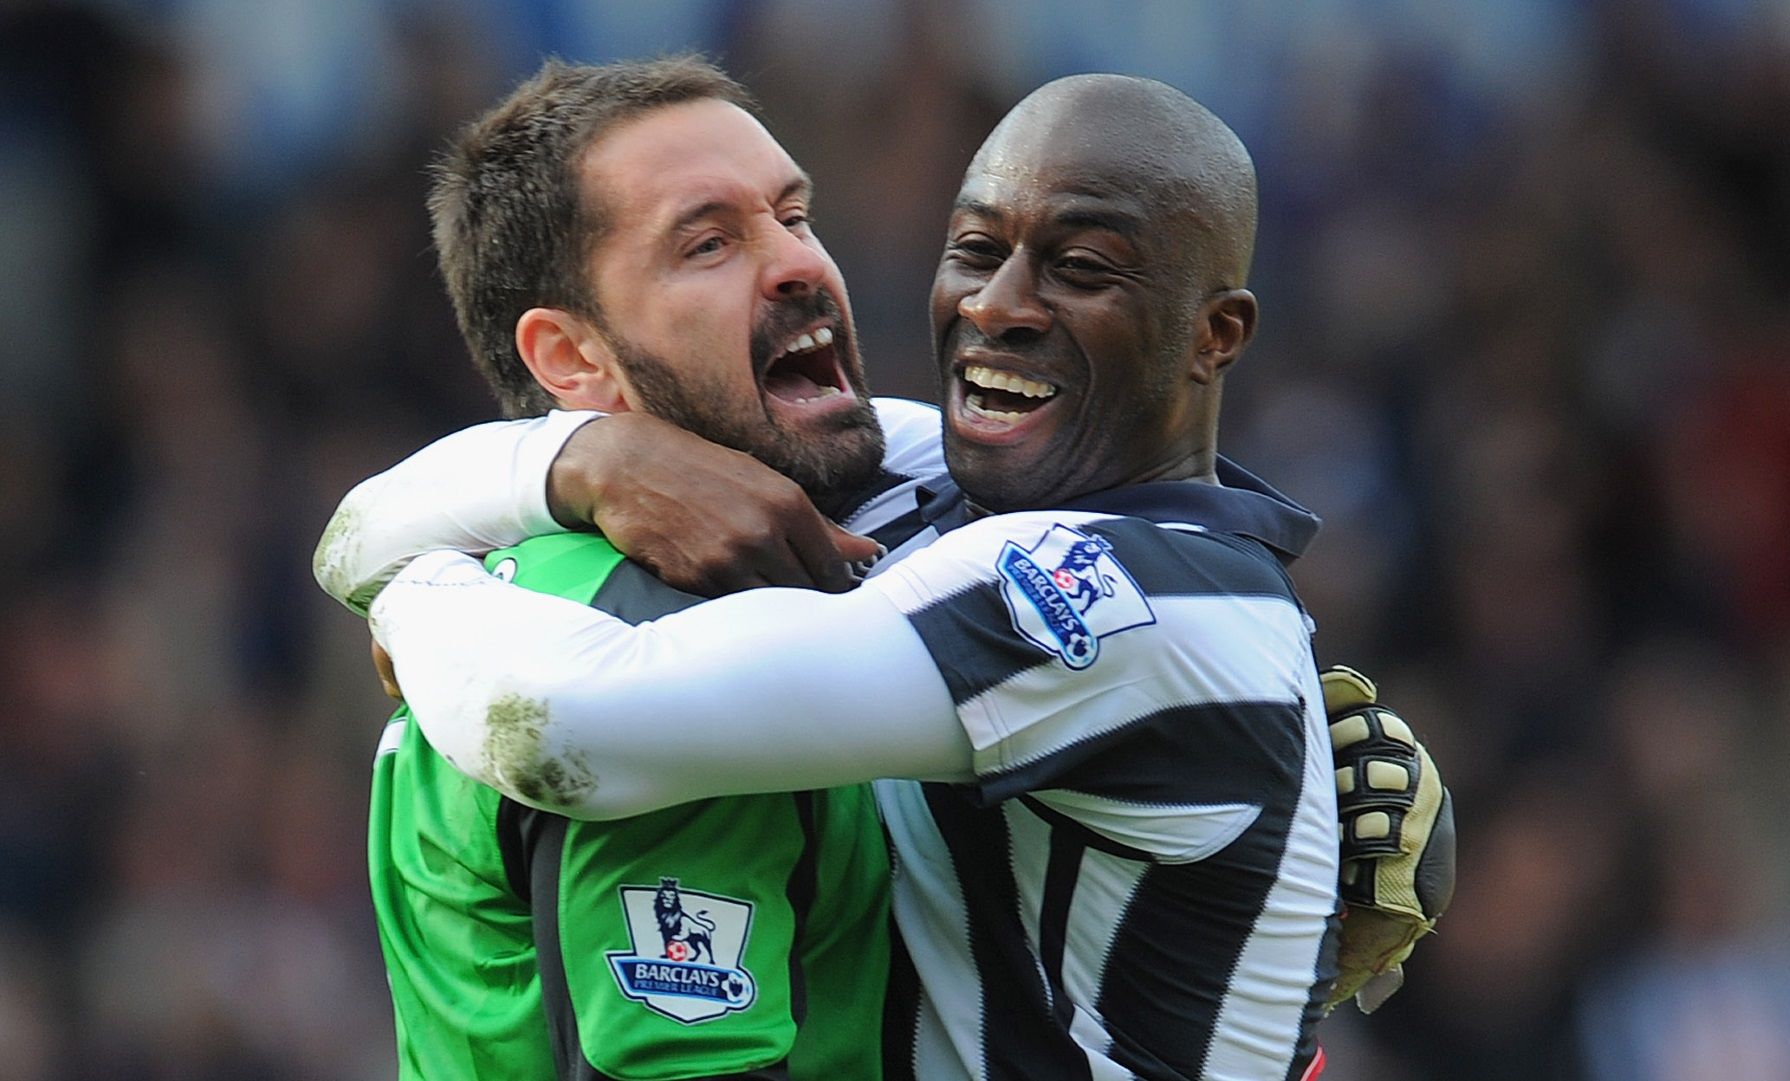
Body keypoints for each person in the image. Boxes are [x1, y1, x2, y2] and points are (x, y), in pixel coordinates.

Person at [344, 72, 1452, 1080]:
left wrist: (408, 587)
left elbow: (564, 719)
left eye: (793, 215)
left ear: (1216, 335)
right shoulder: (906, 484)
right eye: (709, 244)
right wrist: (579, 454)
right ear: (570, 360)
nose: (996, 305)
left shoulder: (1129, 597)